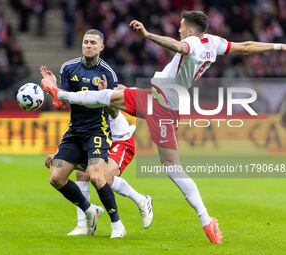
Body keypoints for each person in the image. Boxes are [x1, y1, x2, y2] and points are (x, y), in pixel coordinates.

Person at [42, 11, 286, 244]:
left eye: (180, 26)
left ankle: (205, 218)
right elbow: (244, 47)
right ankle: (62, 94)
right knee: (109, 94)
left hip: (164, 106)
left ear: (190, 30)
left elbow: (178, 47)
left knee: (171, 166)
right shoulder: (214, 42)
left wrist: (147, 35)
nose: (178, 29)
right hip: (153, 95)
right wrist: (279, 46)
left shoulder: (193, 45)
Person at [39, 29, 126, 238]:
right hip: (75, 131)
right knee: (56, 178)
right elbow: (60, 104)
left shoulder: (108, 74)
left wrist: (105, 96)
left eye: (93, 43)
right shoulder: (68, 68)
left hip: (98, 130)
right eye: (85, 42)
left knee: (96, 176)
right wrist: (52, 87)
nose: (88, 45)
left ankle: (117, 225)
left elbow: (114, 112)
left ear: (101, 47)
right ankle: (90, 210)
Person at [45, 110, 153, 235]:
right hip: (94, 139)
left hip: (119, 140)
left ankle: (141, 199)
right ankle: (82, 224)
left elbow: (115, 104)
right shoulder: (81, 98)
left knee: (103, 177)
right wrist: (60, 154)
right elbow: (76, 125)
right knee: (81, 174)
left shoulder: (102, 94)